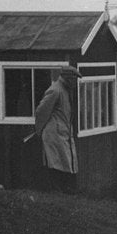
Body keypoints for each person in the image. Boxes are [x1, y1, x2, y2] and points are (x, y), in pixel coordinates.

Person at [33, 65, 81, 193]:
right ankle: (58, 191)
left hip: (63, 133)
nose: (76, 82)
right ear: (68, 78)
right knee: (56, 162)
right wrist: (40, 130)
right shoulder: (55, 90)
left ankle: (65, 191)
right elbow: (41, 111)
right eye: (75, 79)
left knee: (65, 161)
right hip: (54, 134)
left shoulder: (65, 90)